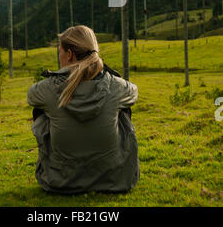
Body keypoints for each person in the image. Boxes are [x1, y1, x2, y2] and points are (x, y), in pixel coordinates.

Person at [27, 25, 140, 194]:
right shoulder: (116, 86)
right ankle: (113, 169)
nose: (60, 57)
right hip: (114, 181)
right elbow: (134, 92)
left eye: (60, 52)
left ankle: (59, 168)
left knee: (42, 112)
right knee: (122, 109)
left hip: (61, 182)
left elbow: (31, 96)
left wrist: (61, 76)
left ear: (70, 54)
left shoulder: (47, 89)